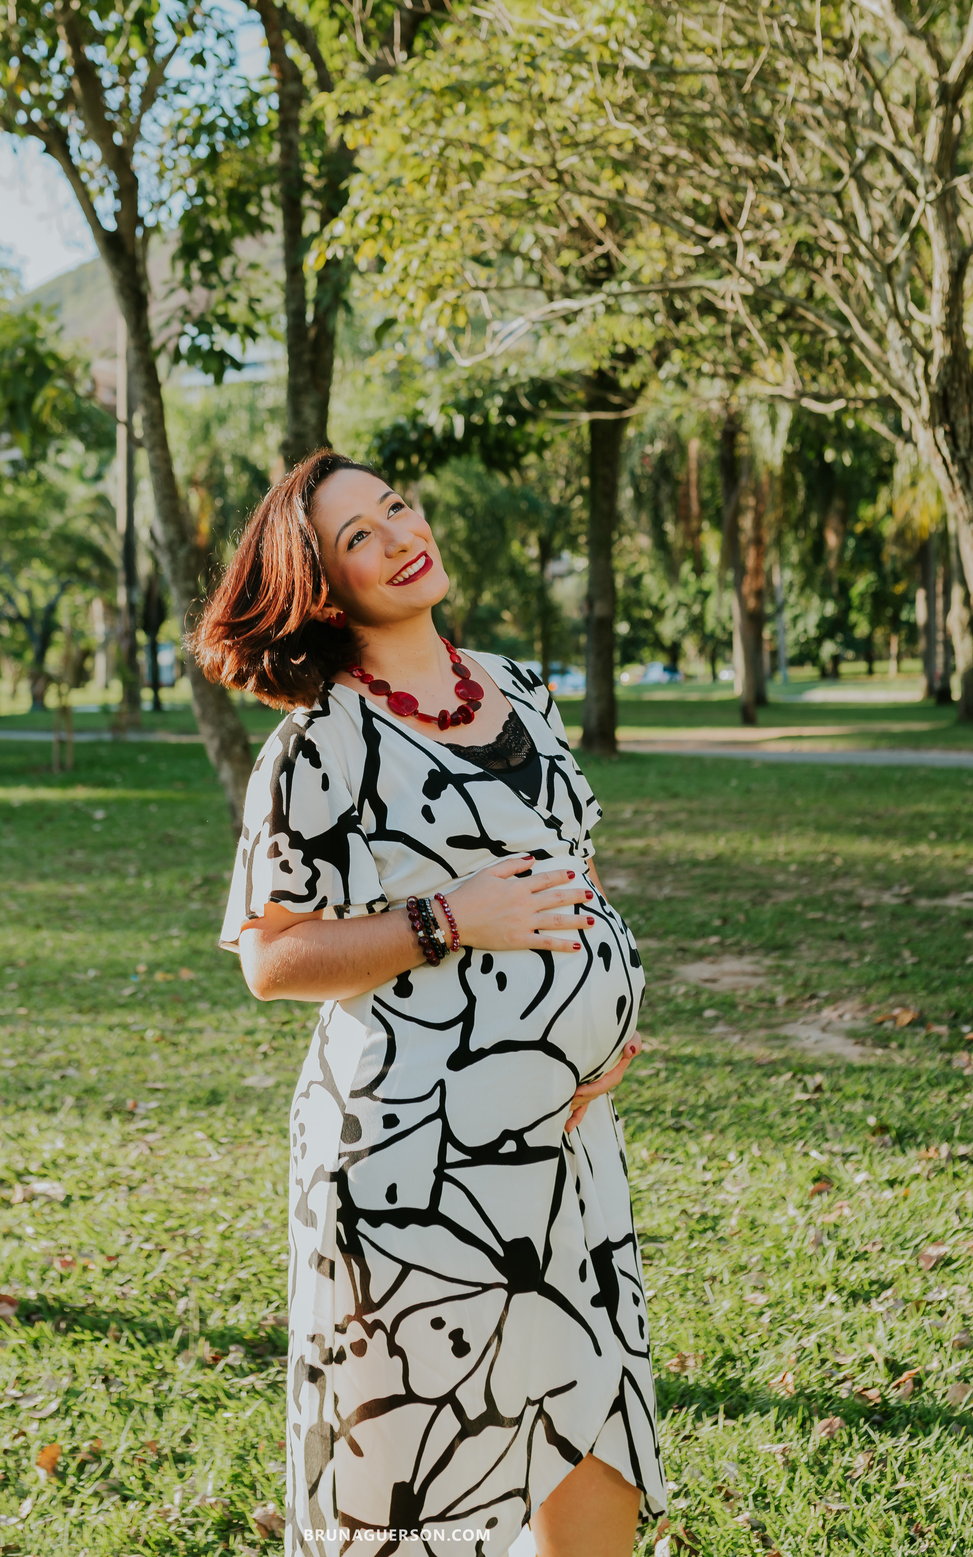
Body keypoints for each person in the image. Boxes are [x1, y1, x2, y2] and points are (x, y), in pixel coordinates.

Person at [195, 452, 665, 1557]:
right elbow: (272, 959)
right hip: (415, 1163)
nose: (399, 535)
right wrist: (447, 919)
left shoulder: (519, 687)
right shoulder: (319, 744)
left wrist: (604, 1016)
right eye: (358, 536)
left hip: (567, 1143)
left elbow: (568, 870)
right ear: (318, 584)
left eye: (395, 507)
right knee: (418, 1485)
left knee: (596, 1450)